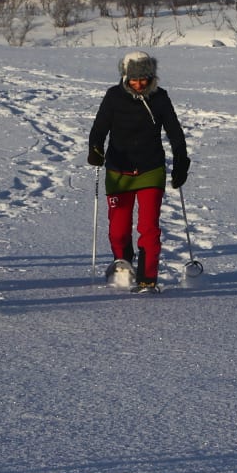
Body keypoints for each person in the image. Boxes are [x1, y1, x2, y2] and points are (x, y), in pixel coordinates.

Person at [87, 51, 190, 293]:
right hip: (118, 172)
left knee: (149, 228)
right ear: (125, 77)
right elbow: (98, 129)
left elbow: (175, 132)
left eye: (144, 78)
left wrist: (181, 160)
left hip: (150, 170)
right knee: (118, 230)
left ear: (152, 77)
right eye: (134, 79)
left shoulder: (160, 98)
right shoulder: (113, 96)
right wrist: (95, 150)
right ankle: (123, 265)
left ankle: (147, 279)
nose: (139, 83)